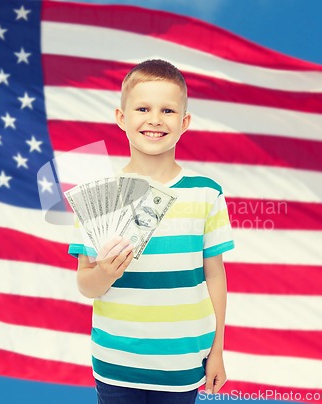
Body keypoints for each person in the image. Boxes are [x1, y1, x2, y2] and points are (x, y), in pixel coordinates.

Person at [69, 59, 234, 404]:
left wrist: (217, 350)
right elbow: (86, 284)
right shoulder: (100, 196)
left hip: (183, 363)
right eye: (143, 108)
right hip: (116, 362)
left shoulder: (206, 193)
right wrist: (103, 273)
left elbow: (214, 275)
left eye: (168, 110)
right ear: (121, 118)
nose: (155, 119)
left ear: (184, 122)